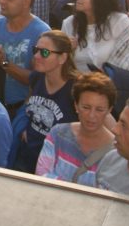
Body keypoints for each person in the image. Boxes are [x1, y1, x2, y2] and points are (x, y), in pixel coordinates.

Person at [0, 0, 52, 116]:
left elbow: (39, 80)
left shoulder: (42, 34)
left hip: (23, 110)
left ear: (26, 2)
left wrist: (4, 63)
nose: (2, 1)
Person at [12, 31, 80, 173]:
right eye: (35, 50)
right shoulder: (37, 77)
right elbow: (30, 102)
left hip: (55, 166)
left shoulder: (77, 88)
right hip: (27, 157)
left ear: (62, 58)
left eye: (44, 52)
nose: (36, 56)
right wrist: (24, 127)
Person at [36, 72, 117, 185]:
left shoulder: (116, 152)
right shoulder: (58, 134)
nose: (91, 115)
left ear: (109, 110)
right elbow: (41, 174)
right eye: (86, 107)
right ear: (76, 106)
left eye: (99, 110)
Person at [61, 0, 129, 72]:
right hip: (78, 79)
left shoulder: (120, 22)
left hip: (112, 80)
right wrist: (68, 51)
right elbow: (60, 64)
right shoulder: (69, 24)